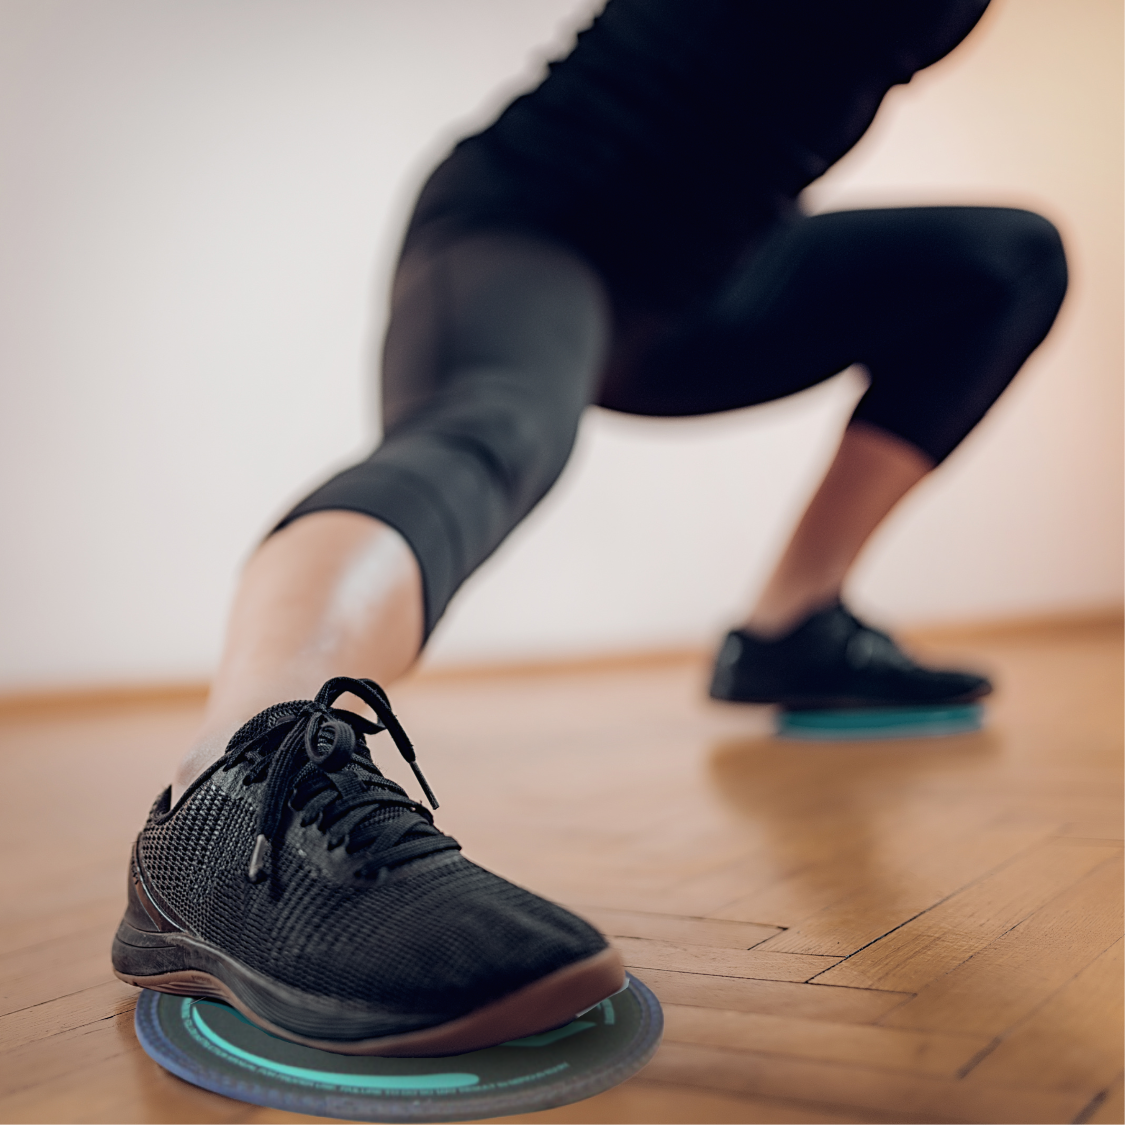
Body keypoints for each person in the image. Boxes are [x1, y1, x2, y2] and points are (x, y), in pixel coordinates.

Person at [112, 0, 1067, 1055]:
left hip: (709, 281)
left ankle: (793, 624)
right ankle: (236, 788)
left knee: (1009, 260)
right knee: (494, 429)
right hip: (532, 221)